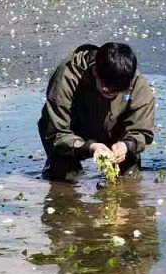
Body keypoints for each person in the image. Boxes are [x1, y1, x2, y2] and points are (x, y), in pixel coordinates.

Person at [38, 42, 155, 180]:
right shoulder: (68, 76)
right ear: (95, 71)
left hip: (115, 132)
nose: (108, 91)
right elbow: (57, 132)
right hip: (73, 130)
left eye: (115, 90)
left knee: (128, 179)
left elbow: (142, 131)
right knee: (61, 176)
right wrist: (90, 147)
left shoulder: (136, 83)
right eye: (105, 85)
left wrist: (127, 145)